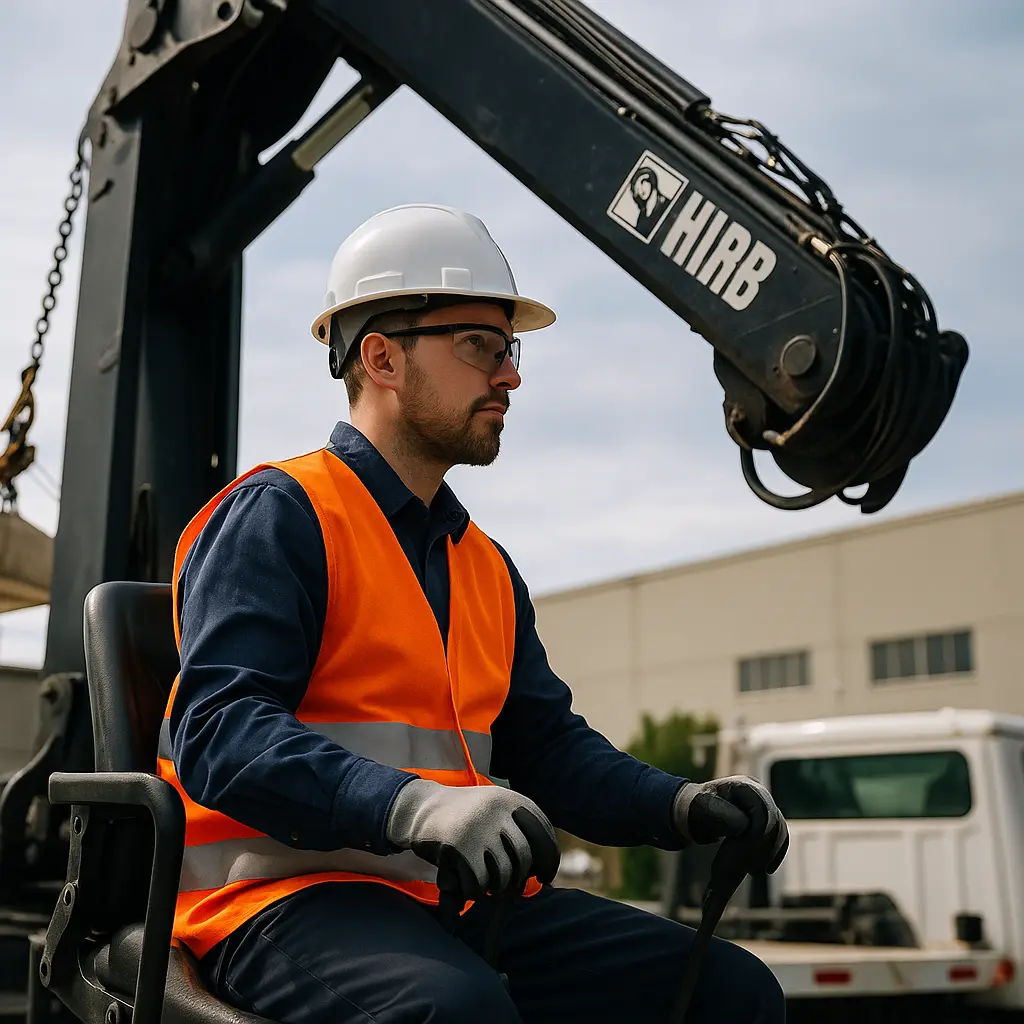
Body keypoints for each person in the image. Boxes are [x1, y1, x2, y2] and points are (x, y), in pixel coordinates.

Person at [157, 204, 790, 1024]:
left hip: (447, 897)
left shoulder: (482, 563)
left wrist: (681, 806)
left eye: (510, 350)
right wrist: (417, 806)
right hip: (280, 899)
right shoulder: (281, 515)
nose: (510, 376)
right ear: (382, 358)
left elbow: (548, 749)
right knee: (457, 1011)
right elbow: (220, 730)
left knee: (731, 991)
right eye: (481, 346)